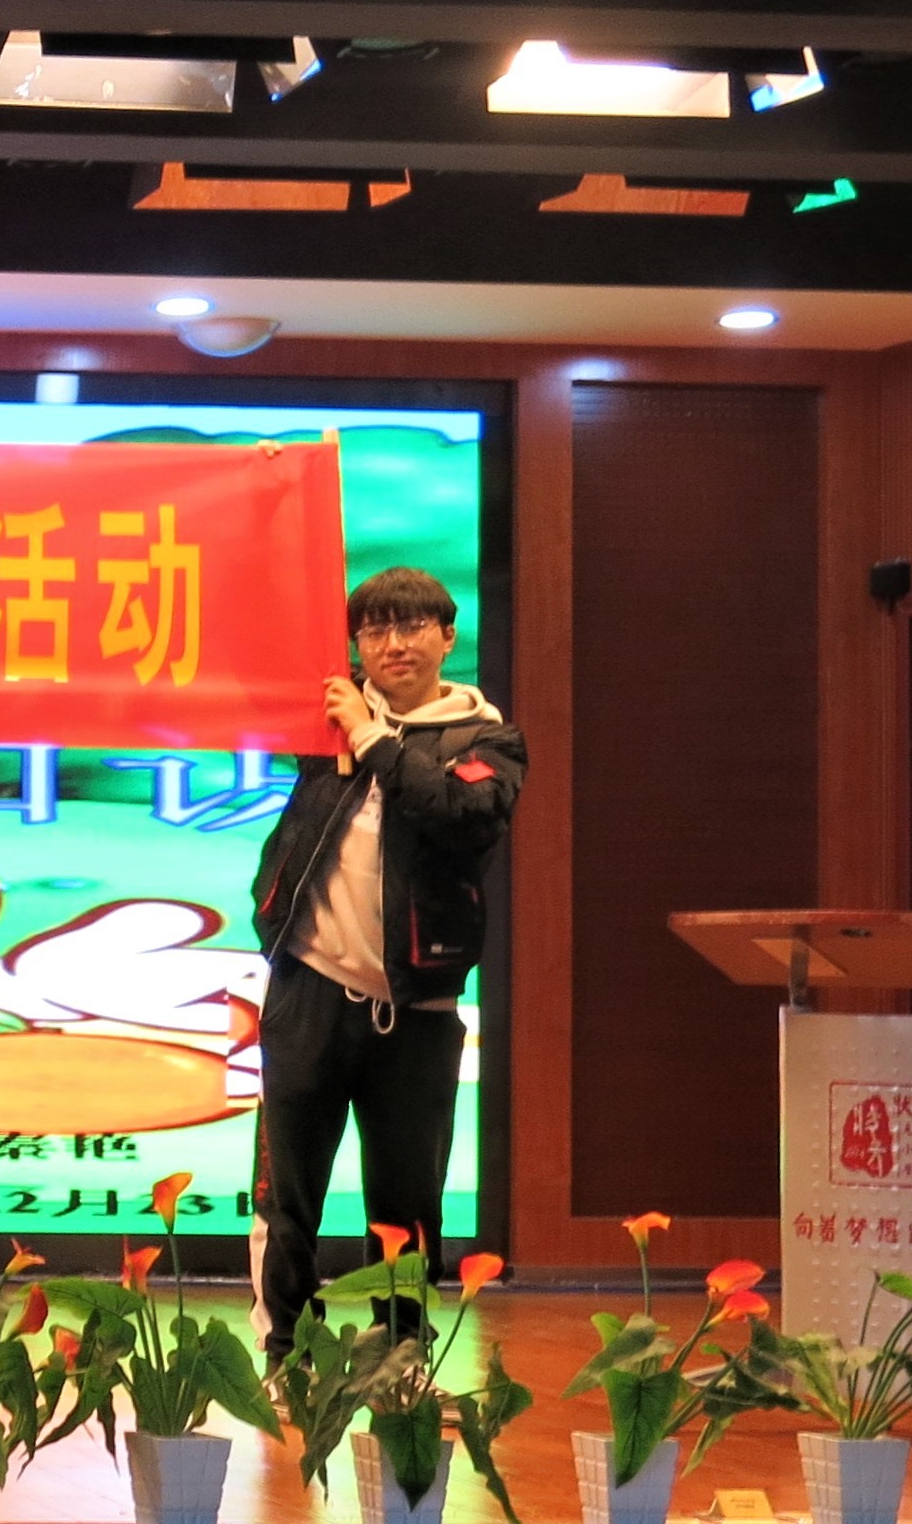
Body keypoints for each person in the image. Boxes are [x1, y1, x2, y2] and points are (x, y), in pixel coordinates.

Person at [249, 566, 524, 1356]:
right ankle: (285, 1354)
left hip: (418, 1011)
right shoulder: (325, 717)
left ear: (448, 636)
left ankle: (400, 1358)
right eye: (374, 629)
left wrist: (372, 740)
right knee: (286, 1196)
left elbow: (462, 813)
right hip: (308, 993)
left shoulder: (487, 739)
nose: (393, 644)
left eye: (411, 627)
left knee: (407, 1205)